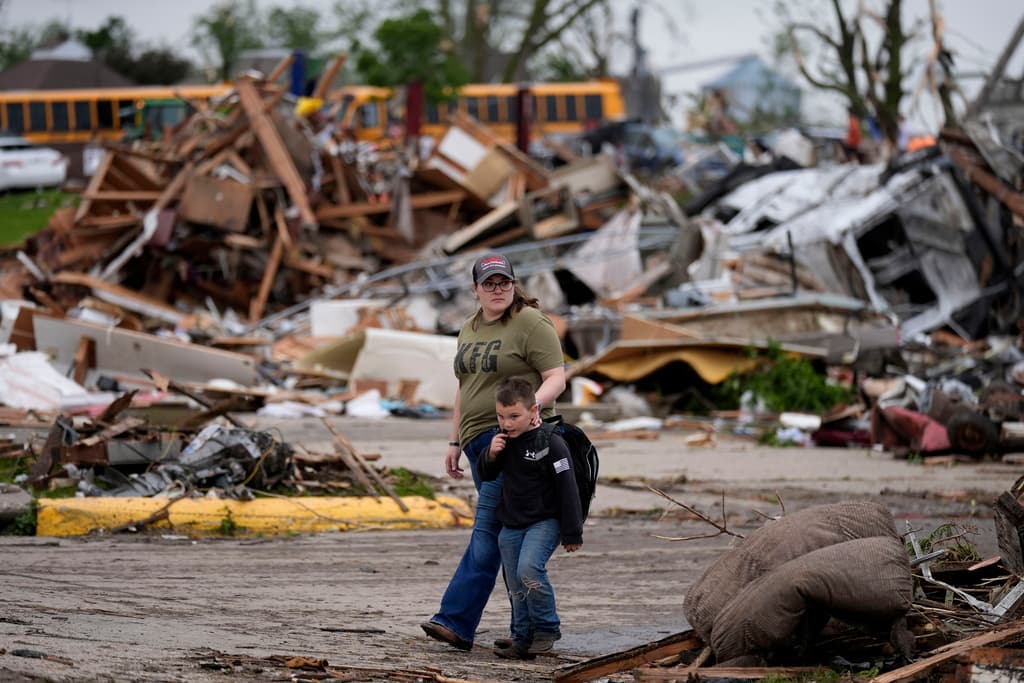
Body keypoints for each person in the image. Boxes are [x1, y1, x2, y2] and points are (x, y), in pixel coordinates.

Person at [421, 253, 567, 651]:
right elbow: (464, 389)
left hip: (512, 442)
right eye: (489, 283)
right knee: (508, 536)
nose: (498, 289)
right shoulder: (468, 327)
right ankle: (531, 631)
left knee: (489, 530)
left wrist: (526, 417)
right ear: (475, 290)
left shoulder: (531, 323)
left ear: (514, 285)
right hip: (477, 443)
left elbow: (557, 378)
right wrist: (453, 441)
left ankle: (456, 621)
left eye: (504, 282)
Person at [477, 377, 582, 659]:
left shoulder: (552, 442)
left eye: (514, 416)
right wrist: (490, 454)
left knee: (529, 570)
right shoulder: (502, 441)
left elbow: (568, 487)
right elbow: (486, 474)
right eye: (501, 416)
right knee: (515, 583)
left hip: (545, 521)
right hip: (511, 524)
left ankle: (546, 629)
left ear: (534, 411)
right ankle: (521, 638)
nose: (506, 423)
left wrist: (573, 532)